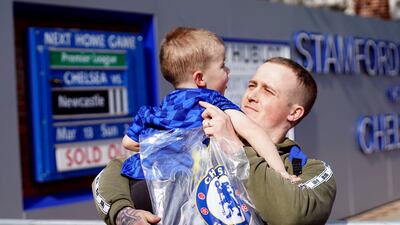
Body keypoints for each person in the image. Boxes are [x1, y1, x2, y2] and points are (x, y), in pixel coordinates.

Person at [92, 56, 337, 225]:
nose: (251, 95)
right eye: (252, 85)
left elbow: (292, 214)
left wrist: (235, 147)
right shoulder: (200, 144)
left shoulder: (308, 169)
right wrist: (124, 213)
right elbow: (112, 173)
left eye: (267, 91)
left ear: (294, 112)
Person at [119, 27, 295, 182]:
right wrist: (281, 172)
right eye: (223, 66)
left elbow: (128, 142)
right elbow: (254, 133)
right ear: (200, 78)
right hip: (187, 186)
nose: (228, 71)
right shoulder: (212, 101)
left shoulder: (157, 110)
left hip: (142, 180)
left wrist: (169, 146)